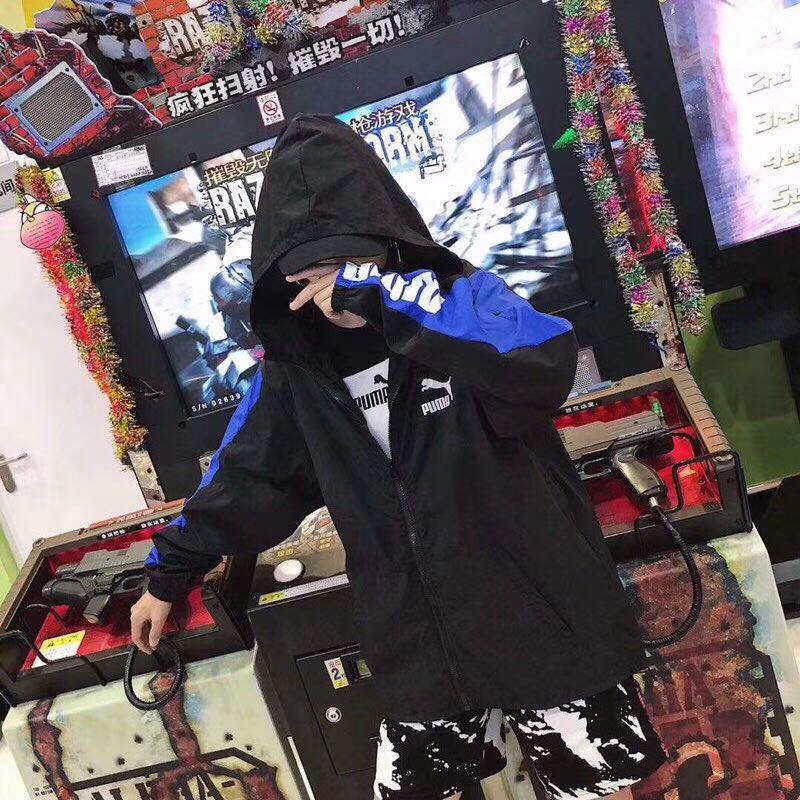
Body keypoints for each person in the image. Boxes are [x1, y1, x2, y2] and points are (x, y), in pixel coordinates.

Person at [131, 114, 666, 800]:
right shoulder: (294, 373)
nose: (328, 286)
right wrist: (169, 573)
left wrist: (392, 309)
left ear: (385, 249)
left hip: (542, 614)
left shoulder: (463, 299)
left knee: (601, 786)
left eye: (345, 264)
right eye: (309, 273)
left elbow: (542, 365)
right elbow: (245, 479)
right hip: (419, 640)